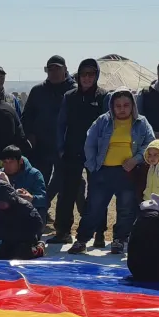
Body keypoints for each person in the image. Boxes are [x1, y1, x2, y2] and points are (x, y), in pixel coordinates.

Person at [70, 89, 155, 255]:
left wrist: (136, 159)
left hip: (129, 173)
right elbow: (90, 143)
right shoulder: (102, 121)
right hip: (103, 172)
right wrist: (93, 166)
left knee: (126, 208)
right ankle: (82, 240)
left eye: (126, 105)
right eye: (118, 106)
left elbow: (150, 143)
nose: (122, 109)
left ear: (133, 106)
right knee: (94, 208)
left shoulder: (141, 122)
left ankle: (119, 240)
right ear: (112, 106)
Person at [53, 58, 105, 245]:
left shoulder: (103, 97)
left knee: (97, 193)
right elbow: (61, 124)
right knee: (67, 192)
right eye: (84, 74)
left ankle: (99, 232)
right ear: (78, 75)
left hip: (96, 153)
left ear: (96, 76)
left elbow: (107, 127)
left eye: (91, 74)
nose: (87, 78)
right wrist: (60, 149)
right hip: (72, 150)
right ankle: (63, 231)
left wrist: (103, 152)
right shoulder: (69, 96)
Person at [21, 56, 75, 206]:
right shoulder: (38, 91)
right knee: (39, 179)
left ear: (65, 69)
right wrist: (29, 135)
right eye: (49, 69)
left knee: (62, 180)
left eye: (57, 68)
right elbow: (27, 116)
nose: (53, 72)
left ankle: (46, 202)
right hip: (40, 145)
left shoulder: (73, 91)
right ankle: (39, 209)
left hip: (65, 145)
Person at [0, 179, 44, 259]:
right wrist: (4, 238)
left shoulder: (25, 206)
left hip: (25, 238)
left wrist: (28, 236)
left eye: (1, 203)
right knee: (1, 254)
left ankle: (39, 248)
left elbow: (38, 224)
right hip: (10, 238)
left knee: (22, 254)